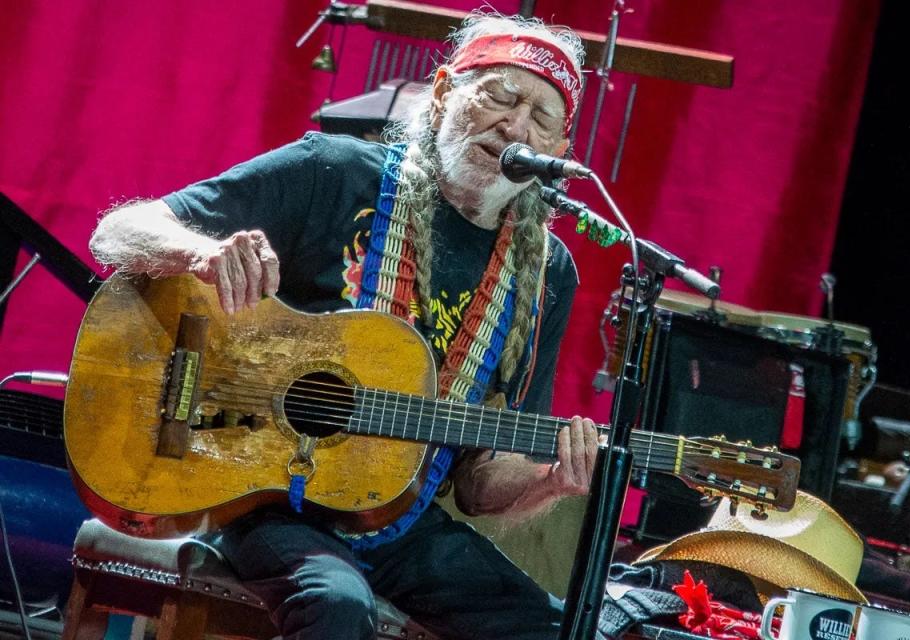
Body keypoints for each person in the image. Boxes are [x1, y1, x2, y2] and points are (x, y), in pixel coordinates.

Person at [89, 11, 601, 640]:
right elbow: (118, 231)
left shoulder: (546, 273)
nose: (514, 125)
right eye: (499, 95)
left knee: (562, 630)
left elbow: (478, 479)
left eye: (542, 117)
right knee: (336, 604)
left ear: (557, 152)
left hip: (399, 522)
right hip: (260, 489)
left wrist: (552, 479)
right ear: (442, 92)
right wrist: (200, 254)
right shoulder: (332, 170)